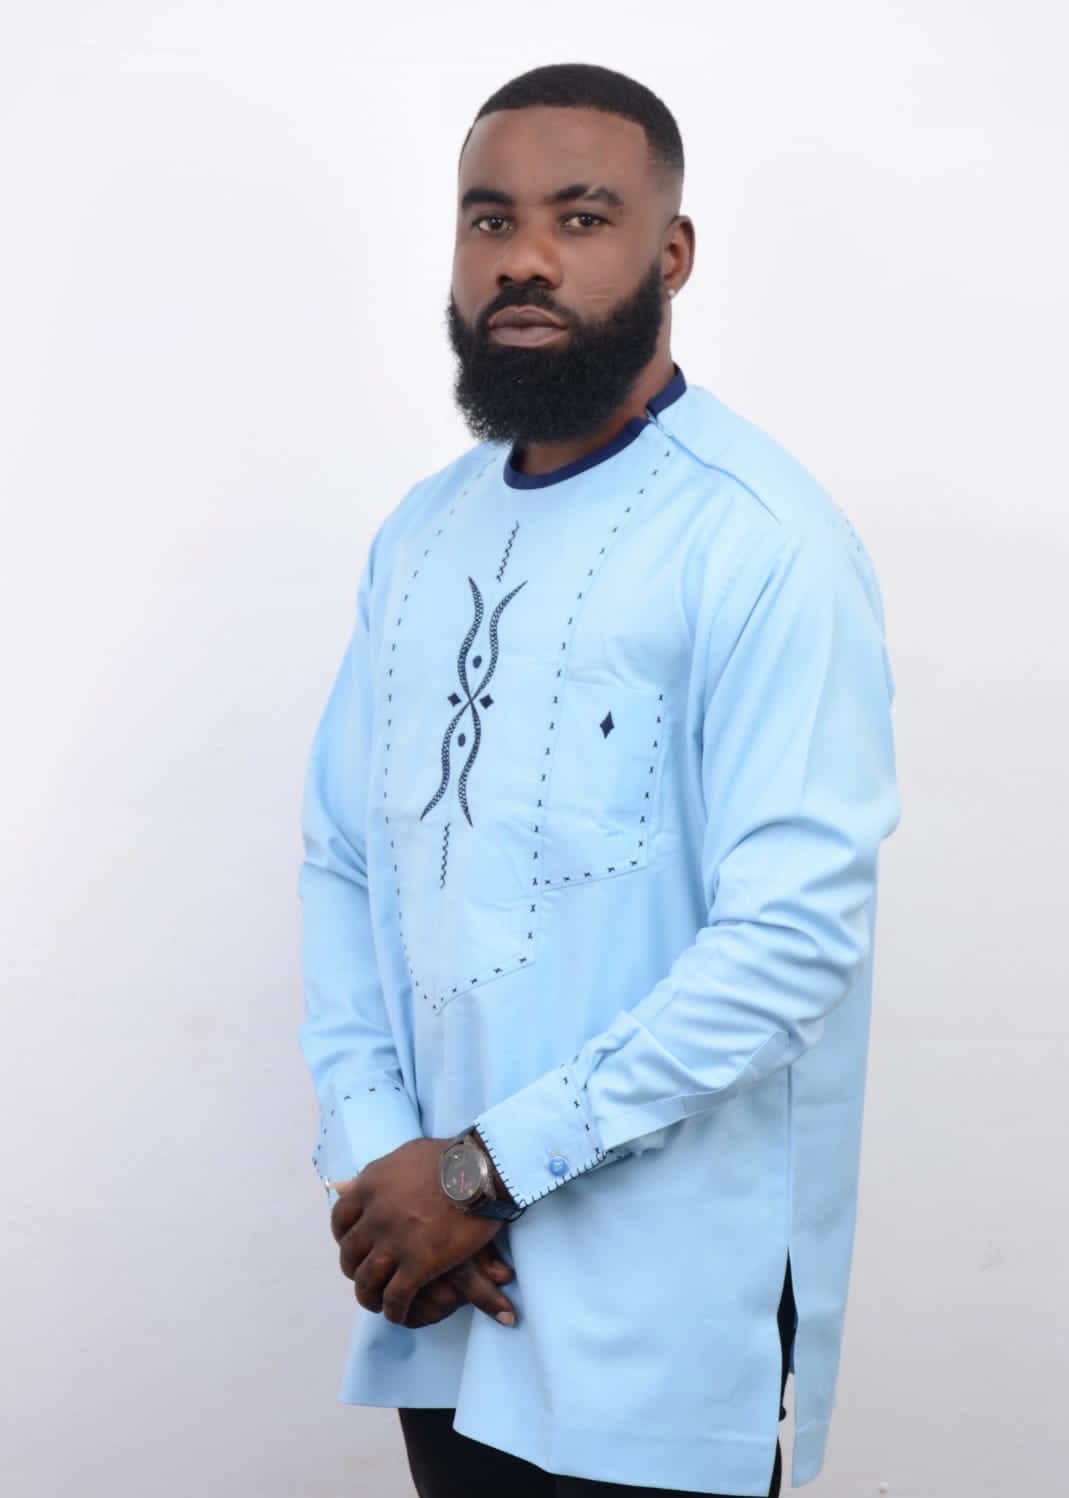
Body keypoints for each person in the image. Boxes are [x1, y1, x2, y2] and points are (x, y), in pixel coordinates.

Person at [297, 62, 900, 1498]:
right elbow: (342, 857)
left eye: (580, 217)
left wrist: (478, 1171)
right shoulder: (419, 537)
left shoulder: (761, 541)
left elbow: (790, 943)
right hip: (442, 1292)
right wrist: (384, 1157)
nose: (524, 257)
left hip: (658, 1316)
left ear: (671, 252)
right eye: (489, 218)